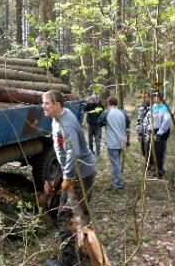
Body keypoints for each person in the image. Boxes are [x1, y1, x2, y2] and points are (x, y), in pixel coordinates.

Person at [42, 90, 96, 266]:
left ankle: (68, 261)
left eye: (47, 103)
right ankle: (85, 251)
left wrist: (68, 177)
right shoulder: (58, 119)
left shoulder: (68, 123)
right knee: (79, 215)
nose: (43, 106)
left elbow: (75, 152)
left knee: (65, 217)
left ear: (57, 105)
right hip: (79, 173)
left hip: (79, 175)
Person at [97, 97, 130, 189]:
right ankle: (116, 179)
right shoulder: (123, 113)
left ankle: (118, 184)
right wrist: (128, 140)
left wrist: (105, 123)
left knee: (115, 163)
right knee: (117, 161)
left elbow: (99, 122)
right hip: (122, 141)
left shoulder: (106, 113)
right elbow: (128, 127)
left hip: (112, 142)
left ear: (108, 104)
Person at [142, 91, 171, 178]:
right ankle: (152, 167)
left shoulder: (165, 108)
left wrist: (159, 133)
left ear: (162, 97)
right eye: (155, 96)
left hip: (161, 133)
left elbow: (167, 121)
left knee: (159, 153)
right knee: (148, 150)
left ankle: (159, 171)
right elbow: (147, 119)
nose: (156, 98)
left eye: (158, 96)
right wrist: (147, 132)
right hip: (151, 131)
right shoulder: (153, 107)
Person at [136, 92, 151, 160]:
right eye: (144, 97)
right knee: (143, 149)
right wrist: (139, 133)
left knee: (149, 149)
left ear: (150, 97)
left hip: (150, 132)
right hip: (143, 132)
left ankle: (151, 164)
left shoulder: (154, 108)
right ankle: (148, 163)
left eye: (146, 97)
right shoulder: (141, 108)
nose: (145, 99)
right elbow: (139, 121)